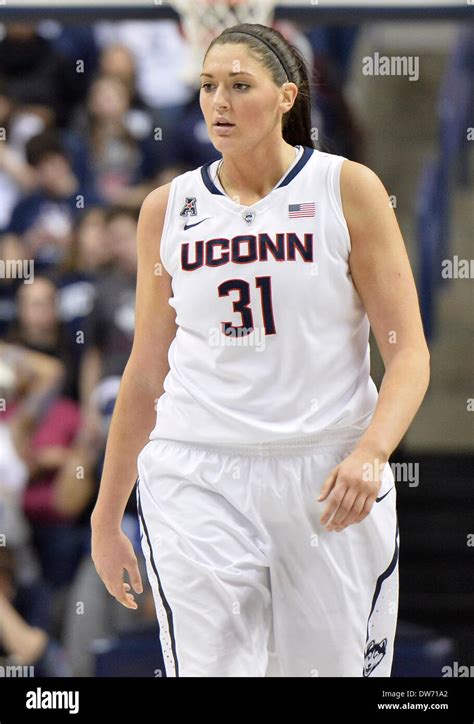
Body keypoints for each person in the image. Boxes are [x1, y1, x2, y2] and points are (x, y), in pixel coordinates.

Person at [90, 23, 430, 677]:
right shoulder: (167, 209)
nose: (219, 102)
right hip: (199, 470)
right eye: (208, 86)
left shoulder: (347, 188)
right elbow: (145, 372)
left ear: (285, 97)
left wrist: (372, 452)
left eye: (239, 86)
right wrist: (108, 515)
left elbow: (408, 352)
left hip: (327, 471)